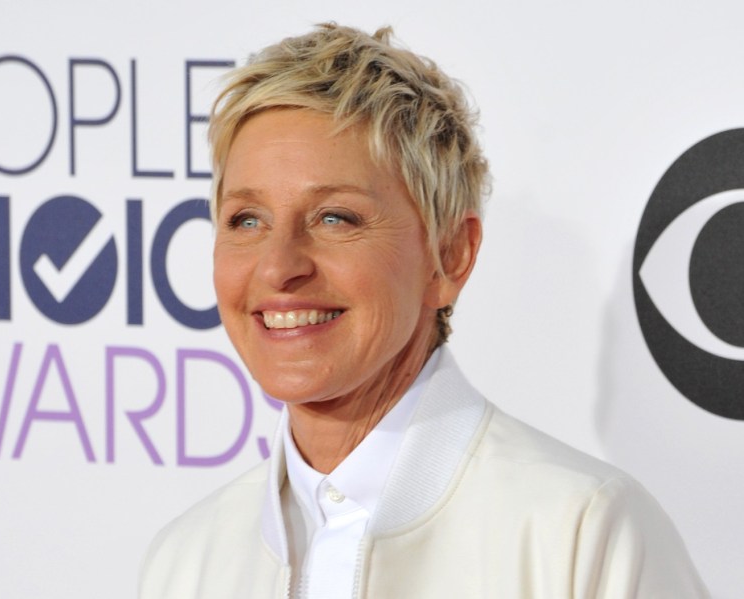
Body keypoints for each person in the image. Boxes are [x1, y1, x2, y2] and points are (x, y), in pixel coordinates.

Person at [139, 23, 709, 598]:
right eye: (246, 220)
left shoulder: (583, 534)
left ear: (448, 257)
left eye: (335, 217)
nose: (277, 267)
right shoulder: (185, 563)